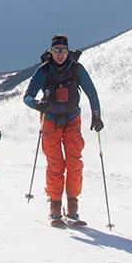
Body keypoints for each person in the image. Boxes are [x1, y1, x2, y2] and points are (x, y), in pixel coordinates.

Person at [23, 33, 103, 223]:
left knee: (74, 163)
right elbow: (27, 97)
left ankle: (72, 205)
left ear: (68, 51)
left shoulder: (76, 69)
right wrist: (37, 105)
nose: (60, 54)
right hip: (50, 121)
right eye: (57, 50)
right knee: (55, 165)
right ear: (51, 51)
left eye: (64, 50)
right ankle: (55, 205)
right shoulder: (43, 71)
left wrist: (97, 115)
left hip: (72, 120)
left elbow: (92, 92)